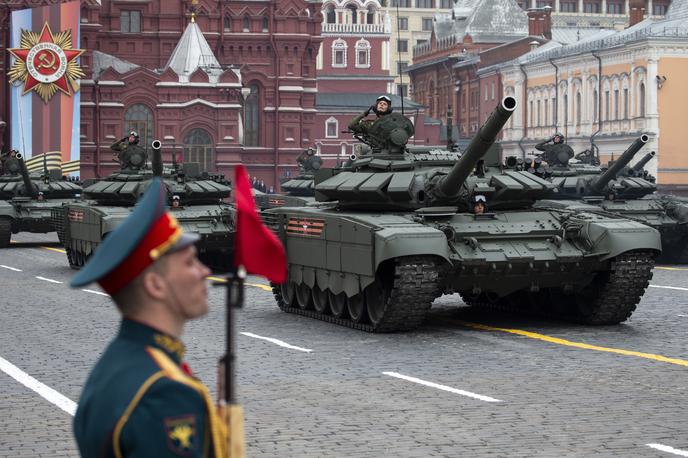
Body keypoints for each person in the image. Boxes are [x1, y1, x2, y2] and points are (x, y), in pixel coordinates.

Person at [71, 178, 227, 457]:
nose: (205, 271)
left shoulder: (112, 367)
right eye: (190, 262)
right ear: (156, 285)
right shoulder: (166, 394)